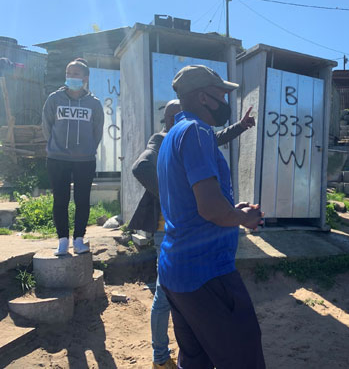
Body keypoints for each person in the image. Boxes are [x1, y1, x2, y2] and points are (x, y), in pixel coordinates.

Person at [129, 99, 255, 369]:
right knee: (165, 298)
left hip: (186, 234)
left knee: (178, 307)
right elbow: (139, 167)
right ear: (170, 119)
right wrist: (172, 193)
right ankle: (160, 357)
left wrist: (241, 126)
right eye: (179, 114)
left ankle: (169, 356)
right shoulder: (163, 139)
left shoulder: (194, 135)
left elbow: (216, 136)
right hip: (172, 230)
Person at [157, 65, 265, 368]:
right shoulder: (197, 131)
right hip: (207, 272)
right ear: (204, 97)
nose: (227, 100)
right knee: (245, 357)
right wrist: (244, 219)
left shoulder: (173, 135)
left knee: (195, 359)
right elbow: (210, 209)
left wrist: (234, 210)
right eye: (222, 94)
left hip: (176, 272)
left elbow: (197, 202)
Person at [42, 58, 104, 256]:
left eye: (76, 74)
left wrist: (87, 149)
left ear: (85, 78)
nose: (71, 77)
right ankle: (62, 241)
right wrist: (55, 147)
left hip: (84, 160)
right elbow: (47, 126)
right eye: (69, 73)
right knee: (60, 200)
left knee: (82, 200)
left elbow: (98, 130)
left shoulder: (93, 103)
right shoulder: (54, 99)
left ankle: (79, 239)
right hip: (57, 159)